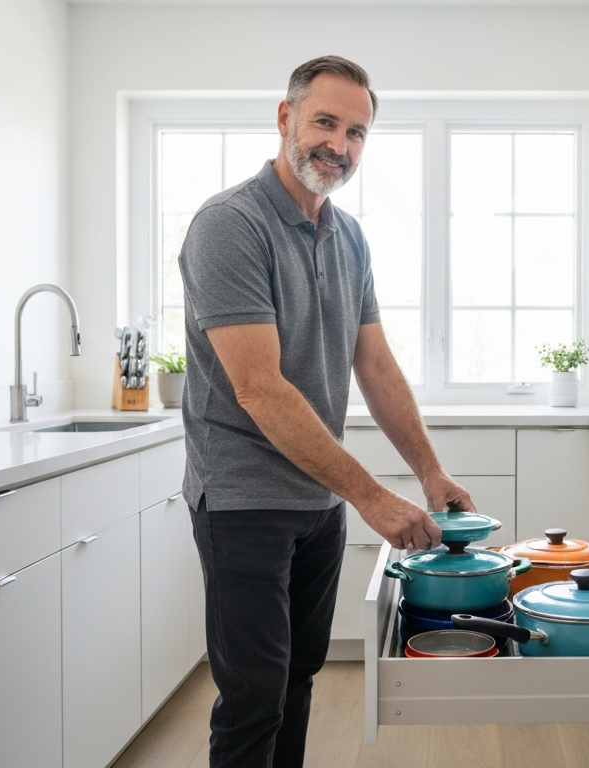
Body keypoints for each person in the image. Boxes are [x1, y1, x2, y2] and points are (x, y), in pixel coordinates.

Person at [178, 55, 473, 768]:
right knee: (254, 697)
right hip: (244, 501)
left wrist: (429, 472)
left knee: (299, 679)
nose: (339, 146)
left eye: (358, 132)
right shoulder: (229, 225)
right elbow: (259, 387)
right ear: (285, 119)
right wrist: (371, 495)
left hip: (317, 498)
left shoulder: (349, 238)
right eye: (325, 123)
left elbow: (373, 363)